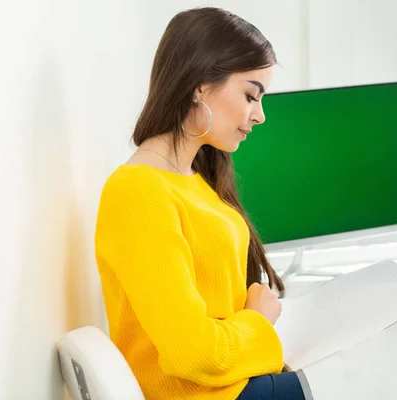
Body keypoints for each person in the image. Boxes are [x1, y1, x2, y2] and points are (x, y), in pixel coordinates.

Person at [94, 7, 313, 400]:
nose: (259, 115)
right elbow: (192, 354)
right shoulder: (138, 191)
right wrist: (258, 321)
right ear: (199, 84)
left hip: (238, 382)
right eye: (250, 95)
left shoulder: (196, 179)